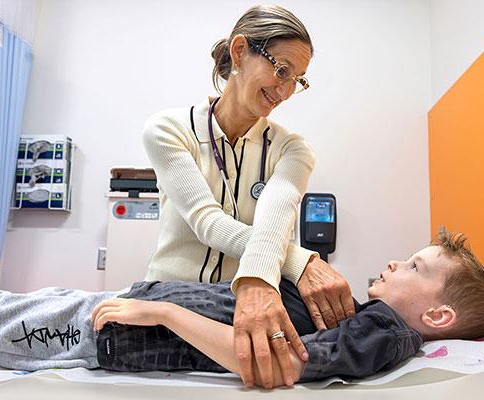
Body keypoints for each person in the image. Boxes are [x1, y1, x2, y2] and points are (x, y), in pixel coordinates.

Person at [0, 233, 484, 389]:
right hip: (124, 313)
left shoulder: (385, 332)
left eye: (413, 266)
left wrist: (164, 314)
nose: (395, 261)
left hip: (117, 330)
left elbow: (281, 363)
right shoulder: (367, 317)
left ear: (437, 318)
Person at [140, 4, 353, 387]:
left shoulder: (291, 149)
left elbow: (278, 216)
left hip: (241, 311)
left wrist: (276, 269)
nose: (286, 91)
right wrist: (302, 261)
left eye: (298, 80)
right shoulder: (168, 129)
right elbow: (208, 222)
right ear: (240, 52)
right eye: (282, 70)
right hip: (170, 301)